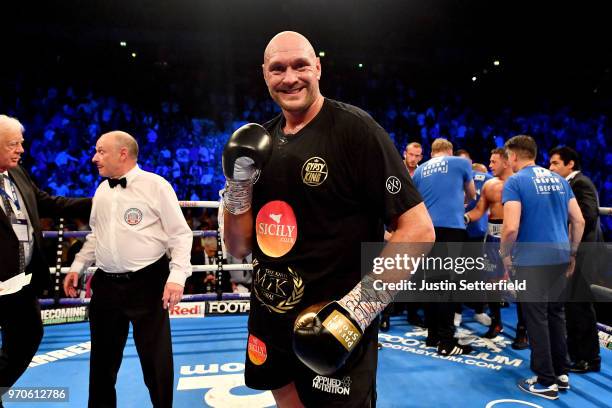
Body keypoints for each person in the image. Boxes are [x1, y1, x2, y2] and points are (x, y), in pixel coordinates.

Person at [222, 31, 434, 407]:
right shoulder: (262, 141)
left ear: (318, 67)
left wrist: (356, 311)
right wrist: (237, 186)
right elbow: (238, 247)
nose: (290, 77)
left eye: (300, 65)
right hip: (270, 320)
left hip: (334, 322)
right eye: (278, 69)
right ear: (264, 75)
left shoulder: (356, 130)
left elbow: (418, 230)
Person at [64, 131, 192, 408]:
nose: (94, 158)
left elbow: (180, 235)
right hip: (106, 286)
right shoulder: (101, 190)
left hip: (148, 283)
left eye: (101, 151)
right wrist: (78, 265)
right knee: (101, 362)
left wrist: (177, 277)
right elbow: (95, 236)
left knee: (155, 361)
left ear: (123, 153)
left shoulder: (156, 185)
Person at [0, 115, 90, 404]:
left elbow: (47, 201)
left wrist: (97, 203)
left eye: (21, 143)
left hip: (20, 283)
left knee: (28, 338)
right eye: (13, 144)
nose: (21, 150)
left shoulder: (16, 173)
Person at [501, 135, 584, 400]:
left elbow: (511, 227)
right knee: (556, 315)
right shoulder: (560, 180)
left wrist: (504, 254)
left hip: (533, 259)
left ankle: (546, 380)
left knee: (536, 317)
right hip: (559, 256)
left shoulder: (515, 181)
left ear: (513, 156)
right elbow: (579, 220)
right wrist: (571, 253)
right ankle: (561, 374)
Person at [411, 138, 476, 355]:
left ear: (431, 153)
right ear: (449, 151)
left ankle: (432, 336)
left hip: (426, 230)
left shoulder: (420, 171)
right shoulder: (460, 162)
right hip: (452, 229)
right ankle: (447, 342)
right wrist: (460, 202)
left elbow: (416, 201)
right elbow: (472, 194)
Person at [549, 146, 603, 373]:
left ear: (570, 164)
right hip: (573, 250)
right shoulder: (566, 185)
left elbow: (588, 216)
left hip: (583, 252)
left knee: (579, 305)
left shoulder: (581, 183)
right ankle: (575, 353)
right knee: (570, 305)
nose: (550, 168)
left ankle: (589, 358)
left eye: (555, 163)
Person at [465, 149, 524, 340]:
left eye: (493, 162)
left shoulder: (521, 183)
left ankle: (523, 329)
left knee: (520, 283)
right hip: (492, 238)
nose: (490, 165)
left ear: (506, 162)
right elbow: (479, 211)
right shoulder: (489, 185)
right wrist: (464, 217)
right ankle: (496, 322)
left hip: (514, 235)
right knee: (491, 283)